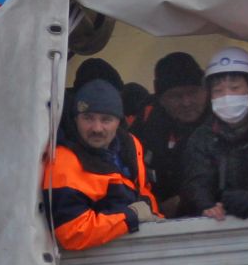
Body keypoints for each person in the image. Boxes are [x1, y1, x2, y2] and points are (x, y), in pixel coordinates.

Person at [42, 78, 160, 250]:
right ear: (75, 119)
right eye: (88, 118)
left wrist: (156, 217)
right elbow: (72, 232)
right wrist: (130, 216)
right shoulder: (63, 162)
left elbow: (143, 192)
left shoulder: (129, 146)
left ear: (119, 121)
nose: (97, 128)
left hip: (139, 251)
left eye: (106, 119)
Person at [178, 46, 248, 221]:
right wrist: (206, 205)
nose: (227, 96)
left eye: (235, 88)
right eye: (218, 91)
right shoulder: (202, 137)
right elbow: (196, 182)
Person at [134, 51, 208, 216]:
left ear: (205, 91)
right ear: (161, 99)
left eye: (192, 92)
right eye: (176, 96)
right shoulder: (148, 125)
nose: (186, 102)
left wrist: (186, 199)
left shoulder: (223, 119)